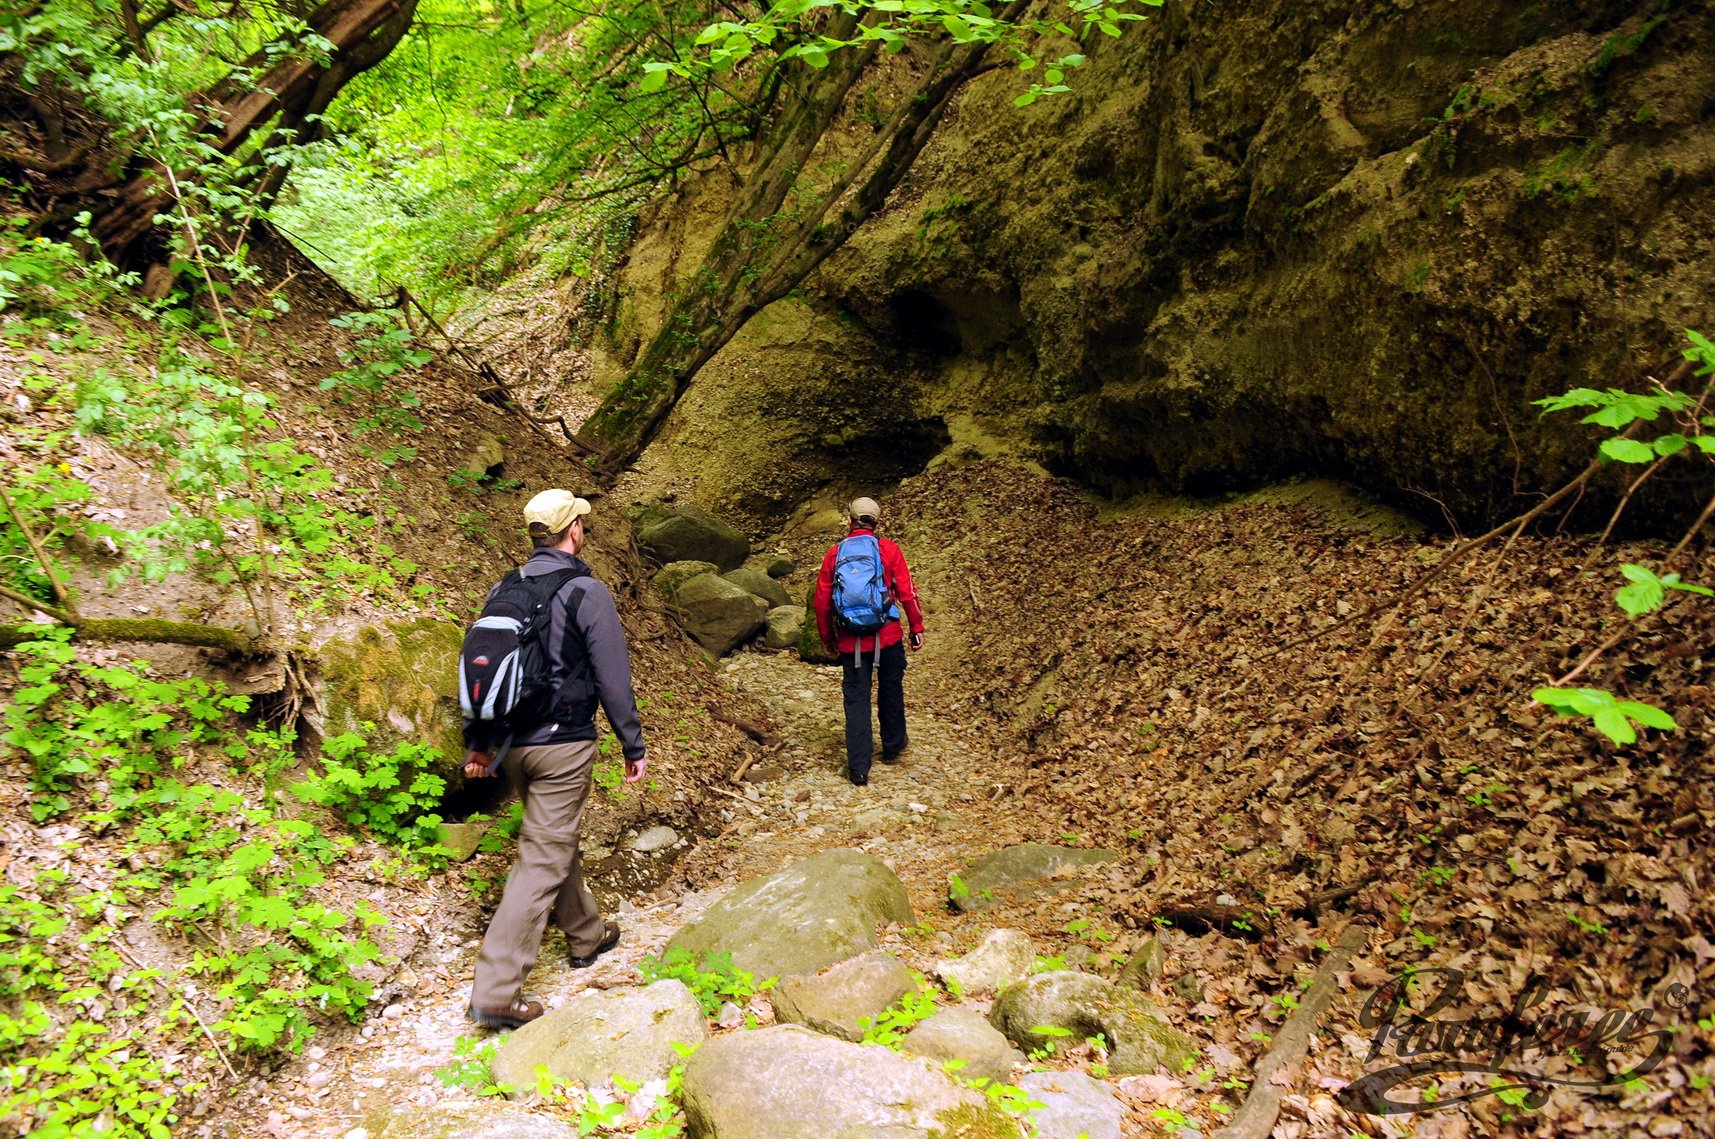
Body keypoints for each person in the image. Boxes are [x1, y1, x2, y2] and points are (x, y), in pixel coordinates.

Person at [464, 489, 647, 1029]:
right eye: (582, 524)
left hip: (512, 745)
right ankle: (496, 991)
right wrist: (631, 743)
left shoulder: (507, 588)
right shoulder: (585, 590)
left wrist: (480, 741)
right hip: (562, 745)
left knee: (552, 836)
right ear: (572, 532)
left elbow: (483, 665)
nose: (584, 531)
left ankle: (586, 933)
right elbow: (612, 673)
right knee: (542, 854)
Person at [813, 496, 925, 786]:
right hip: (887, 636)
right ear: (878, 522)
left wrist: (828, 638)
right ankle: (893, 746)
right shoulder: (888, 549)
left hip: (852, 642)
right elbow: (907, 592)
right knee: (891, 688)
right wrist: (916, 627)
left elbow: (822, 600)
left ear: (849, 520)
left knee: (856, 699)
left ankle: (859, 768)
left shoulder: (835, 553)